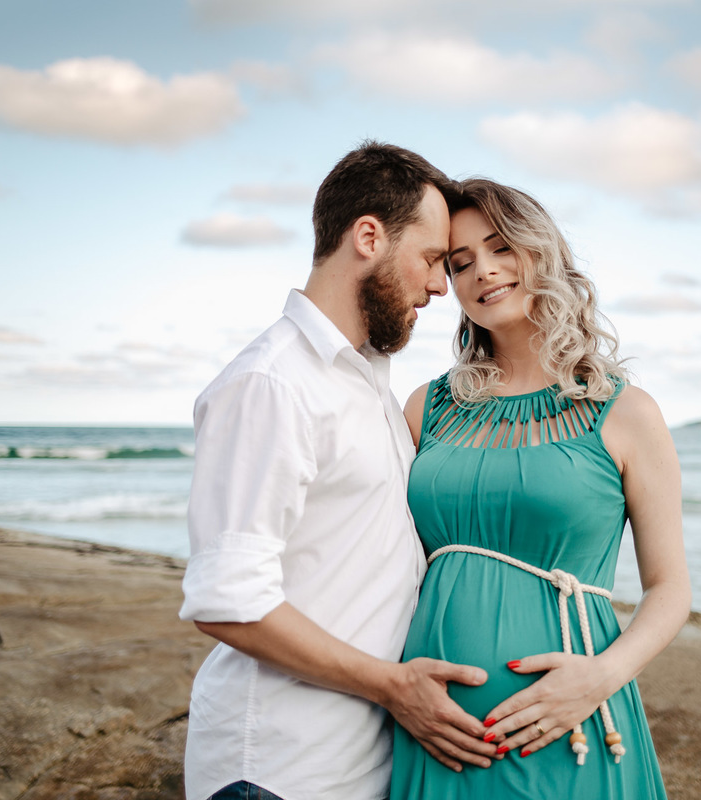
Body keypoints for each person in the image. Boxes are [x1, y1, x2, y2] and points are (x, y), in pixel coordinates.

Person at [179, 143, 498, 800]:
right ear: (369, 236)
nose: (443, 286)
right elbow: (229, 602)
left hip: (356, 765)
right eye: (434, 259)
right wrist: (393, 687)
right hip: (276, 772)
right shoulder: (273, 384)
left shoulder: (367, 382)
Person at [390, 178, 691, 798]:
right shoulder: (427, 407)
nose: (484, 272)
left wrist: (599, 678)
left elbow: (670, 589)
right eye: (460, 261)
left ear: (541, 252)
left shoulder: (627, 413)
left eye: (501, 248)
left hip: (573, 721)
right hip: (438, 724)